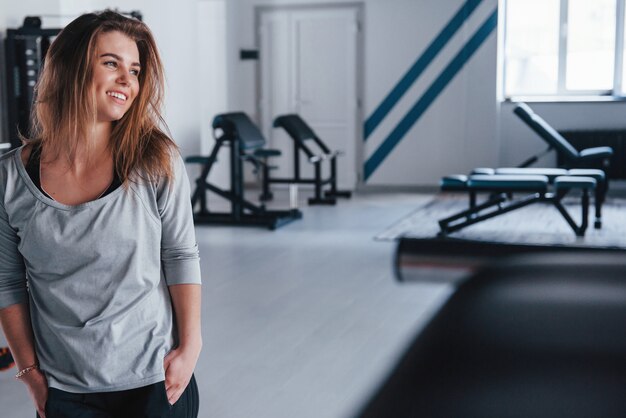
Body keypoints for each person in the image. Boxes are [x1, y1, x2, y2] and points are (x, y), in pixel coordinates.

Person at [0, 10, 202, 418]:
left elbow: (180, 255)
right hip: (63, 388)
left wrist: (190, 347)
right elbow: (7, 281)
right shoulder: (9, 177)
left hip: (154, 379)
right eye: (111, 63)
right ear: (71, 68)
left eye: (135, 69)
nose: (128, 80)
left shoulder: (155, 160)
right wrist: (30, 372)